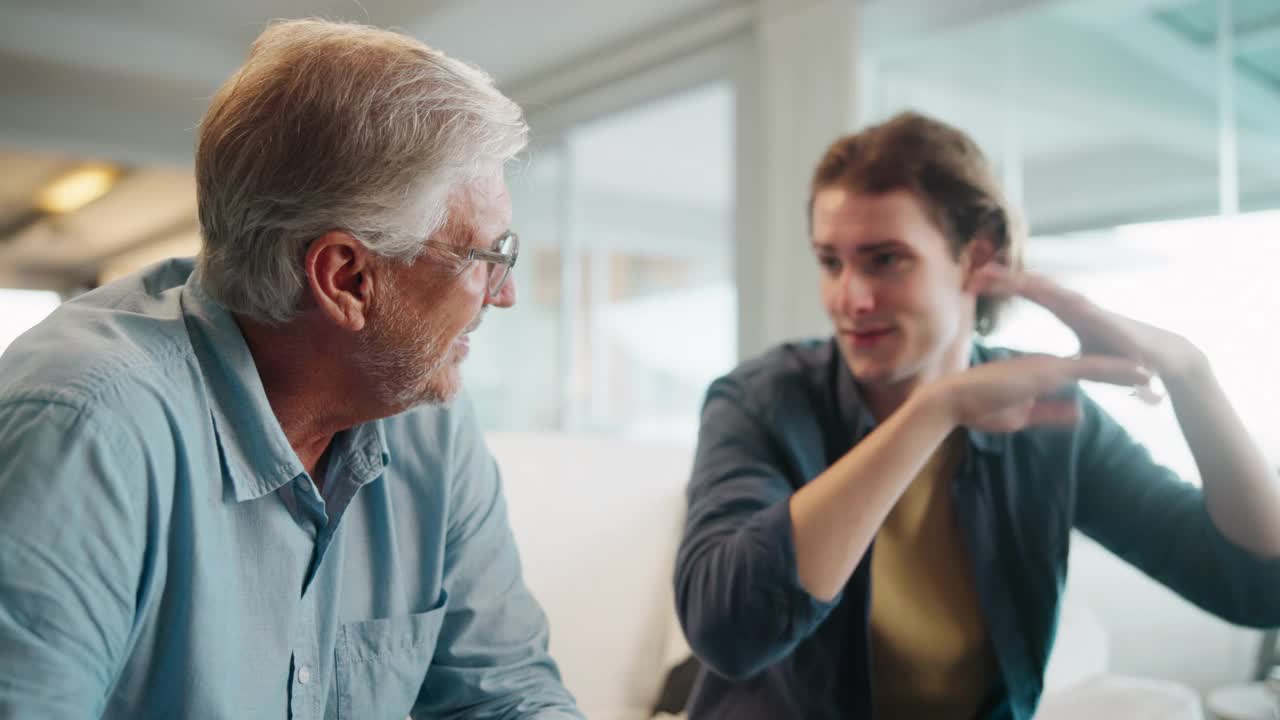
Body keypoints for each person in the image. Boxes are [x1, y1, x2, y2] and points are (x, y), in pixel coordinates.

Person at [0, 19, 582, 719]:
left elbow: (506, 695)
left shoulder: (426, 416)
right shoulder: (85, 428)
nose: (506, 293)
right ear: (346, 278)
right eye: (484, 259)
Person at [674, 111, 1280, 719]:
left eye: (885, 260)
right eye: (831, 262)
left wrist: (1192, 376)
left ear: (975, 258)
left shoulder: (1049, 421)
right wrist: (936, 411)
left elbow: (1254, 589)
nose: (850, 298)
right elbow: (728, 632)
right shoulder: (760, 402)